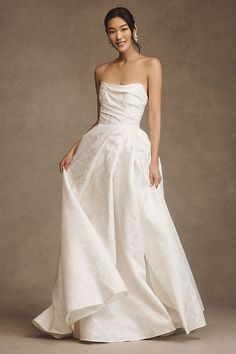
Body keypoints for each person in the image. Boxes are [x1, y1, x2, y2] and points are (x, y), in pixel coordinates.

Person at [32, 6, 207, 343]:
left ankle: (150, 311)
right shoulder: (101, 70)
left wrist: (154, 160)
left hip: (133, 154)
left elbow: (154, 116)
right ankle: (101, 312)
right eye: (112, 31)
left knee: (138, 226)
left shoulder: (151, 65)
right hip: (100, 154)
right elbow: (101, 120)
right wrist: (74, 147)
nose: (118, 36)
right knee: (101, 226)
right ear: (107, 35)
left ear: (134, 28)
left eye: (123, 29)